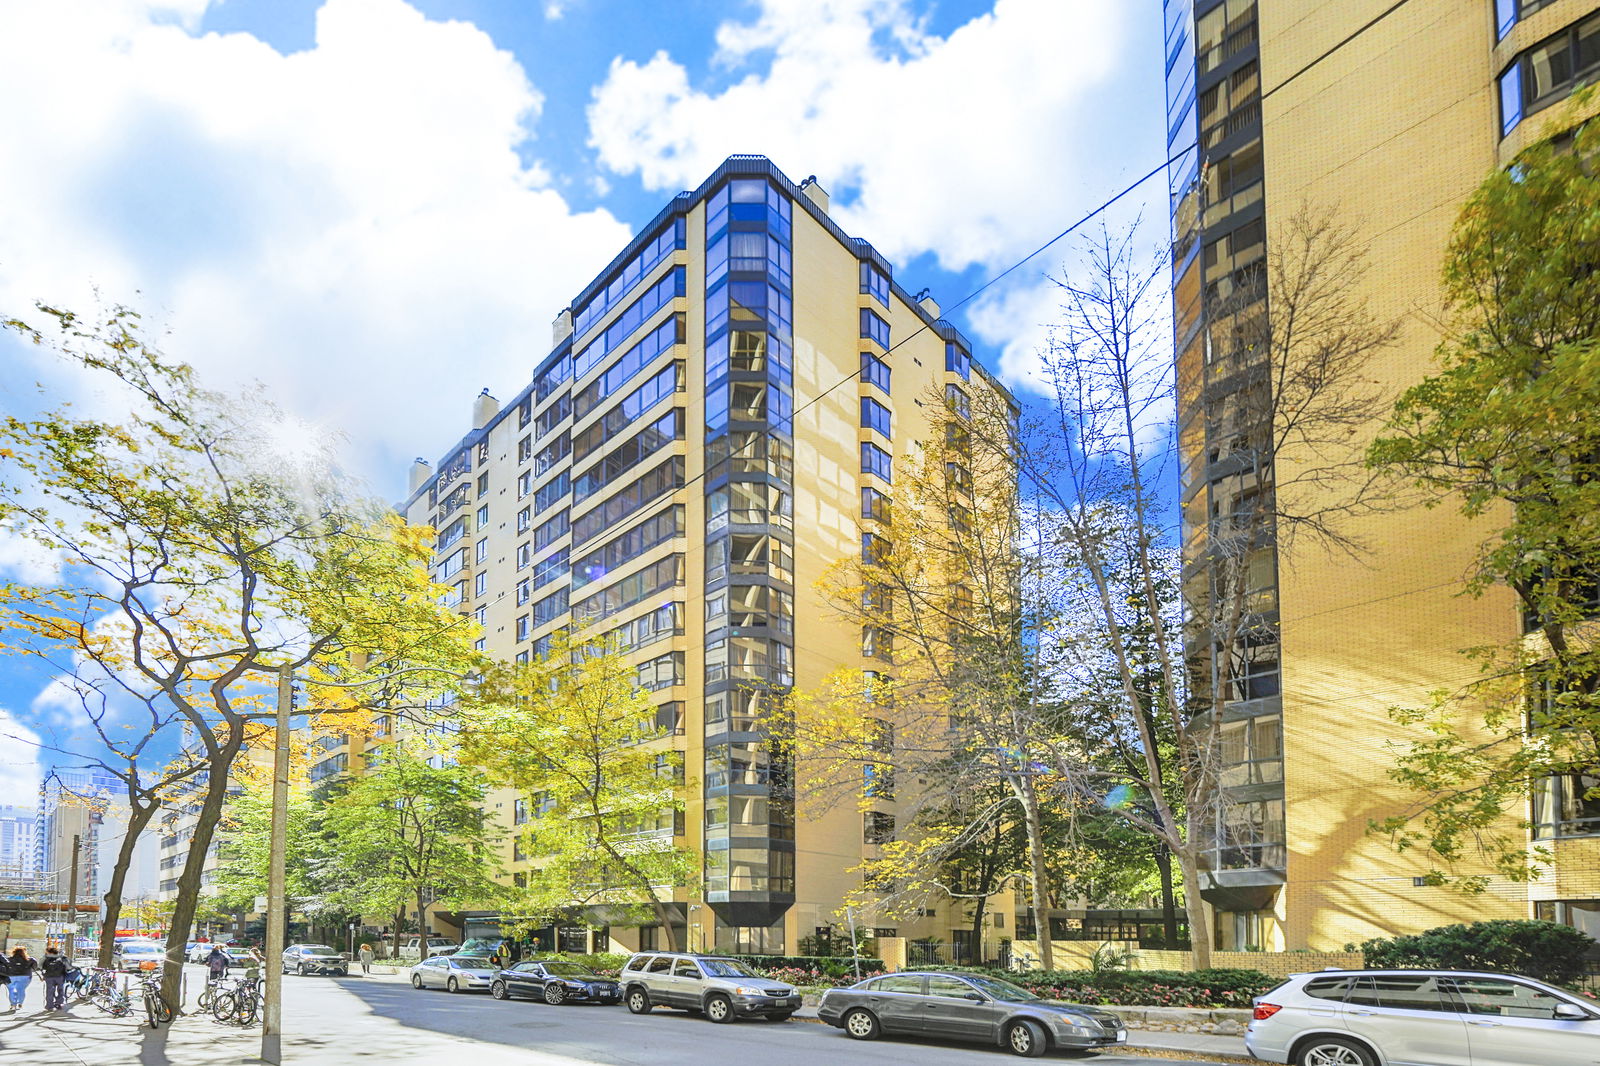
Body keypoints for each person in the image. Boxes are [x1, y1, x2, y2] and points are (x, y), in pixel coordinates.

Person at [5, 946, 38, 1011]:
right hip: (25, 976)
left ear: (14, 952)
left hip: (11, 976)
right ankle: (20, 1003)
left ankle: (13, 1004)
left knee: (11, 989)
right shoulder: (30, 959)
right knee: (21, 989)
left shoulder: (8, 959)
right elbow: (35, 967)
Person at [40, 947, 70, 1011]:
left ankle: (49, 1006)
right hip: (60, 976)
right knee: (60, 990)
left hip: (49, 977)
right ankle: (59, 1003)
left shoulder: (46, 958)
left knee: (49, 991)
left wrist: (43, 975)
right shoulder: (62, 958)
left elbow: (42, 967)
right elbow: (68, 967)